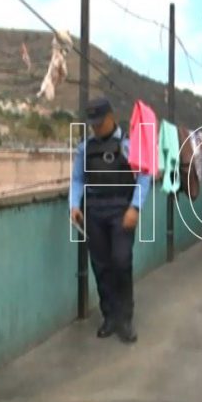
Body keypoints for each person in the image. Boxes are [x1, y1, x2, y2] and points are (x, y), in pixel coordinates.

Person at [69, 97, 151, 344]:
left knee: (121, 261)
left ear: (111, 117)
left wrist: (135, 207)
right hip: (94, 212)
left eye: (99, 122)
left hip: (121, 211)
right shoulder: (85, 148)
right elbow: (77, 179)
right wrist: (74, 204)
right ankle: (110, 317)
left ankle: (125, 319)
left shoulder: (128, 143)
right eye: (92, 123)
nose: (95, 127)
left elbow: (144, 176)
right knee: (101, 266)